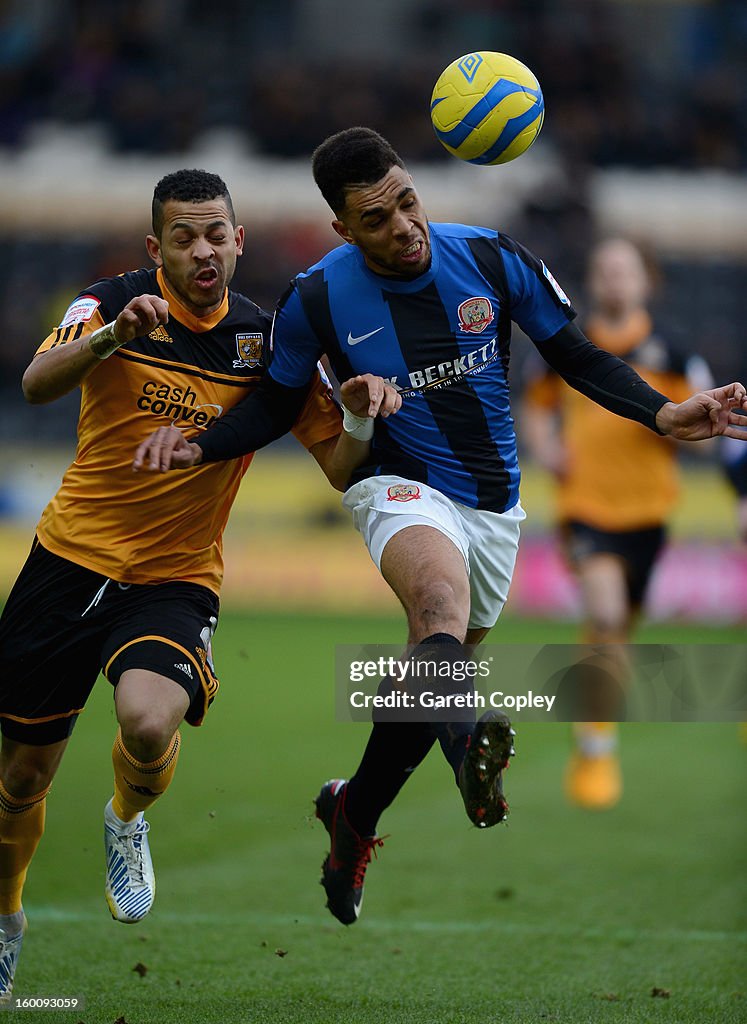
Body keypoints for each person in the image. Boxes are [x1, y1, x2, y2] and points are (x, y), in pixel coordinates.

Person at [134, 128, 747, 927]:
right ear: (342, 231)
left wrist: (663, 413)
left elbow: (575, 354)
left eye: (408, 204)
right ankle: (472, 754)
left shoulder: (493, 258)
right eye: (377, 220)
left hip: (493, 507)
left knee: (430, 676)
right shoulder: (316, 298)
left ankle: (351, 815)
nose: (403, 228)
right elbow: (278, 404)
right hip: (396, 485)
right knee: (436, 611)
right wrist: (201, 443)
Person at [0, 168, 396, 999]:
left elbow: (338, 465)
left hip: (176, 576)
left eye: (216, 232)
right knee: (21, 779)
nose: (202, 248)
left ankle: (126, 817)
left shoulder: (270, 341)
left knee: (147, 721)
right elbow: (35, 386)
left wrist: (357, 410)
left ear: (239, 240)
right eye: (182, 236)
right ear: (157, 248)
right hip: (67, 561)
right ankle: (6, 918)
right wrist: (108, 339)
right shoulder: (107, 302)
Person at [522, 237, 714, 810]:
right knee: (603, 613)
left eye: (624, 271)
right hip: (585, 505)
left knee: (618, 633)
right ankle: (596, 749)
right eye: (603, 270)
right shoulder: (567, 346)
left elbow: (703, 433)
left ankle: (598, 724)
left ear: (644, 282)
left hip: (649, 512)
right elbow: (534, 405)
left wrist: (695, 436)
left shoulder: (674, 355)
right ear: (592, 281)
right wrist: (546, 447)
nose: (613, 281)